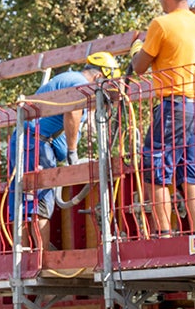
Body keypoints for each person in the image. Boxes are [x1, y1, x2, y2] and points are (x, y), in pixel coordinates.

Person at [130, 0, 195, 235]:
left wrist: (136, 47)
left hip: (173, 106)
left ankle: (164, 234)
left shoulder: (161, 25)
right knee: (191, 174)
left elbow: (140, 66)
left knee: (156, 170)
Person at [9, 52, 121, 256]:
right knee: (38, 200)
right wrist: (71, 152)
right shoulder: (79, 83)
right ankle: (39, 257)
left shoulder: (69, 79)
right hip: (35, 144)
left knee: (26, 201)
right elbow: (73, 112)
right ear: (99, 77)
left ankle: (26, 255)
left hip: (31, 143)